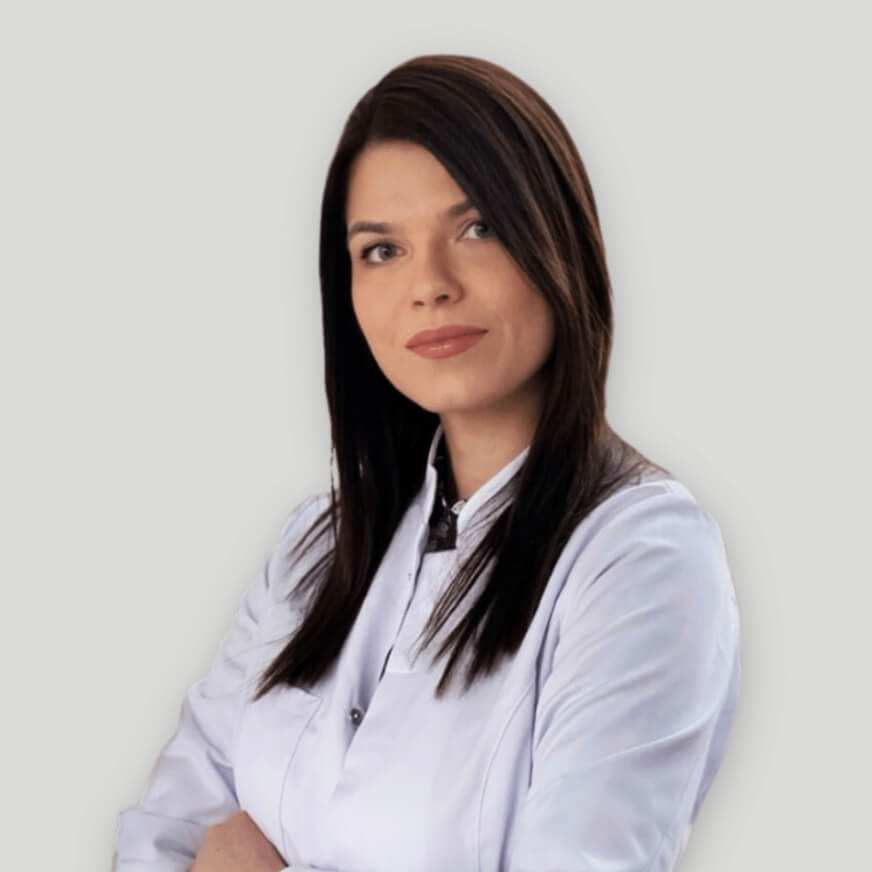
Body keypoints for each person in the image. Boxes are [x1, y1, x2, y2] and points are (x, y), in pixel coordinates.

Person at [112, 53, 741, 872]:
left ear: (558, 242)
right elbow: (165, 832)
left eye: (477, 229)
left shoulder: (642, 560)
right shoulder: (315, 547)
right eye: (382, 250)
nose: (430, 286)